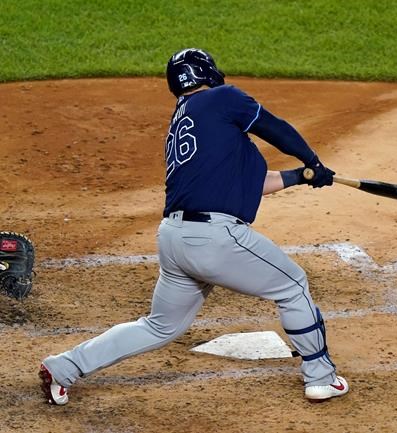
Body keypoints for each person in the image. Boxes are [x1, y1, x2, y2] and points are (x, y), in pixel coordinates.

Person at [39, 48, 349, 405]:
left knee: (160, 326)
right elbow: (274, 128)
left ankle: (63, 367)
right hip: (214, 239)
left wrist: (302, 176)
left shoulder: (185, 123)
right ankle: (322, 378)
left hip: (174, 240)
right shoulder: (224, 98)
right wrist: (312, 159)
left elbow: (246, 182)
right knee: (293, 286)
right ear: (209, 73)